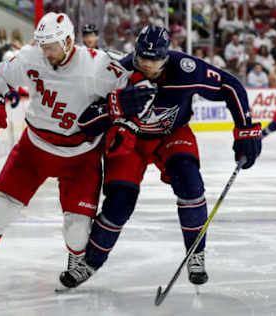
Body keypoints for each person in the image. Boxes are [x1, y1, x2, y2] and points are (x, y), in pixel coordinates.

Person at [0, 12, 155, 291]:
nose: (46, 52)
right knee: (1, 208)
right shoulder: (32, 55)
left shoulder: (96, 65)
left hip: (80, 157)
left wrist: (128, 105)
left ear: (69, 41)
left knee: (77, 230)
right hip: (33, 149)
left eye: (52, 46)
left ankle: (76, 258)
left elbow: (140, 87)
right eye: (42, 45)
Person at [59, 25, 262, 289]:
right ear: (135, 53)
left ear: (167, 56)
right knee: (120, 202)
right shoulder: (118, 72)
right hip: (130, 140)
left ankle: (196, 254)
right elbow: (87, 120)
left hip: (172, 134)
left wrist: (245, 129)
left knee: (190, 183)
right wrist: (114, 106)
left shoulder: (185, 68)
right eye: (143, 58)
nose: (147, 66)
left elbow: (231, 85)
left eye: (154, 61)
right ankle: (90, 262)